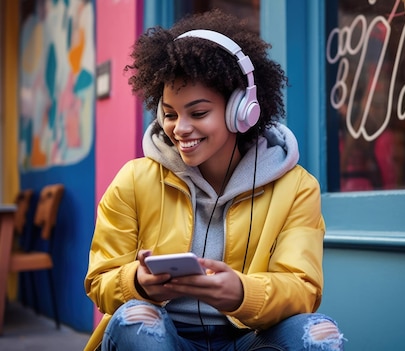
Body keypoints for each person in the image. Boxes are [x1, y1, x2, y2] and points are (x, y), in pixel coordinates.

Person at [84, 9, 345, 351]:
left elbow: (302, 289)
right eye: (170, 114)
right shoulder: (134, 180)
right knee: (137, 320)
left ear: (243, 109)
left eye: (198, 113)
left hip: (246, 339)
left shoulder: (296, 187)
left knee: (319, 336)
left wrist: (241, 293)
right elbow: (100, 280)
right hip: (162, 335)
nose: (180, 128)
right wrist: (138, 282)